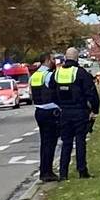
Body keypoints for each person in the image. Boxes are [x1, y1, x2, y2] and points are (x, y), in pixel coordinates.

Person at [57, 55, 100, 179]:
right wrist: (95, 109)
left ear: (66, 58)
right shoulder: (81, 73)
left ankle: (63, 173)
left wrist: (60, 106)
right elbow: (91, 93)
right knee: (80, 141)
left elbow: (52, 92)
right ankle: (82, 171)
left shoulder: (58, 73)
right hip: (79, 112)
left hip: (64, 113)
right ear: (76, 59)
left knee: (66, 142)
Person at [28, 55, 67, 183]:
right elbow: (56, 91)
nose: (53, 62)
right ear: (46, 60)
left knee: (44, 143)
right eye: (51, 59)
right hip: (51, 111)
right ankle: (48, 172)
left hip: (39, 111)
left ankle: (44, 171)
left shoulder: (34, 76)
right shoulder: (49, 75)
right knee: (51, 143)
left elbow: (31, 94)